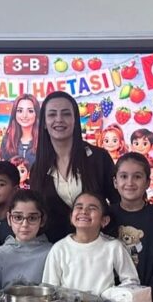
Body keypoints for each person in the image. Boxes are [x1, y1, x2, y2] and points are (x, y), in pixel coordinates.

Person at [29, 92, 120, 242]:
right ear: (44, 123)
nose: (59, 119)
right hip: (55, 250)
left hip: (99, 247)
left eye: (66, 114)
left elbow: (117, 202)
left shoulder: (99, 158)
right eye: (52, 114)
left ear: (75, 120)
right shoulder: (38, 169)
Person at [42, 192, 139, 295]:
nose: (84, 211)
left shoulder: (113, 247)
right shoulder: (59, 249)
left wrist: (111, 296)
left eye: (92, 208)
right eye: (79, 207)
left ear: (104, 220)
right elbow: (49, 289)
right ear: (71, 217)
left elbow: (131, 281)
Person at [110, 153, 153, 302]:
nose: (130, 182)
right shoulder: (106, 216)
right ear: (115, 182)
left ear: (147, 183)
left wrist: (149, 297)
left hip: (148, 300)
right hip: (110, 300)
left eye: (137, 177)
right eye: (124, 176)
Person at [0, 190, 53, 302]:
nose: (24, 224)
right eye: (18, 217)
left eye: (32, 218)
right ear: (9, 218)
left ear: (42, 220)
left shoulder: (52, 253)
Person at [0, 94, 40, 164]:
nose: (24, 115)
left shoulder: (44, 140)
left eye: (30, 111)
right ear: (14, 114)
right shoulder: (7, 140)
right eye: (20, 111)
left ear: (36, 114)